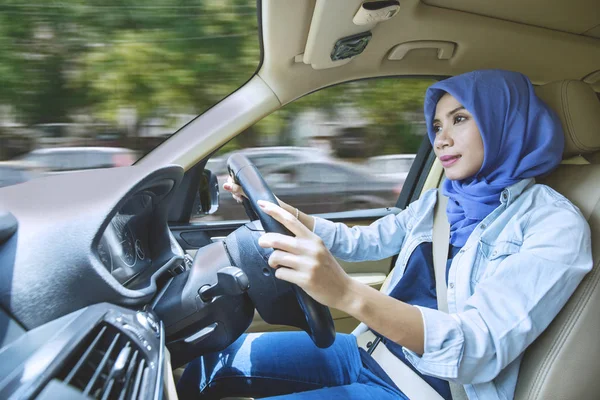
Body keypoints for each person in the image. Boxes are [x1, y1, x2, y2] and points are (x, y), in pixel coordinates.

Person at [177, 70, 592, 399]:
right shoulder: (443, 199)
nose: (440, 139)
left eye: (460, 119)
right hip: (367, 352)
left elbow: (474, 349)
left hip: (427, 389)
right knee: (215, 362)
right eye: (436, 124)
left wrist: (347, 293)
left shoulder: (554, 225)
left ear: (506, 122)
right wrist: (287, 214)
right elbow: (366, 242)